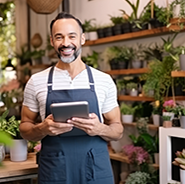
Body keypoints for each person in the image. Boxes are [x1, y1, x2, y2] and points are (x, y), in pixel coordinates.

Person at [20, 12, 123, 184]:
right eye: (59, 37)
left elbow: (118, 130)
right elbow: (24, 128)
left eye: (71, 36)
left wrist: (100, 129)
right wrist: (43, 129)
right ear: (52, 41)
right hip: (55, 169)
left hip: (95, 169)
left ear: (82, 39)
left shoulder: (103, 80)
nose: (66, 43)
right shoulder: (37, 81)